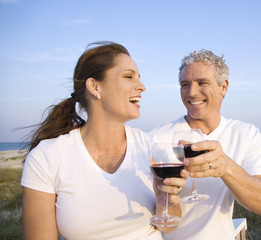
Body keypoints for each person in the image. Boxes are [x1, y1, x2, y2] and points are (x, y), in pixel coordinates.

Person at [21, 42, 186, 240]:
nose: (141, 86)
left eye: (139, 78)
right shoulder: (47, 157)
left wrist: (164, 201)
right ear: (94, 86)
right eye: (128, 77)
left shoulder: (150, 147)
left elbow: (169, 227)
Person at [150, 49, 261, 239]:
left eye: (202, 83)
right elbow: (157, 220)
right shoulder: (157, 138)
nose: (192, 92)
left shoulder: (246, 134)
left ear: (223, 87)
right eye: (185, 84)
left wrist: (226, 167)